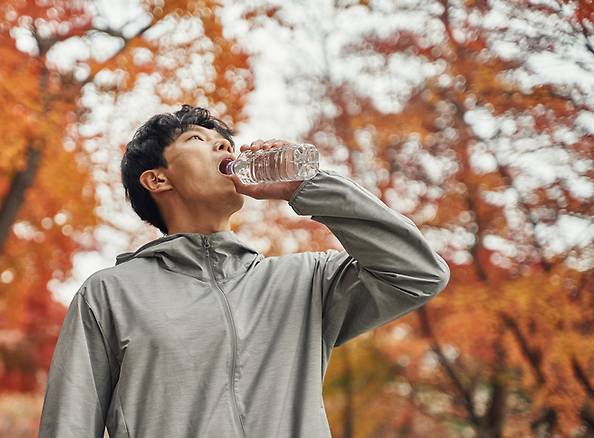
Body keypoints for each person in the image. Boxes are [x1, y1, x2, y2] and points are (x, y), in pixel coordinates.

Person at [38, 104, 450, 437]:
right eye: (198, 140)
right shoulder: (110, 293)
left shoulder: (305, 283)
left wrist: (308, 186)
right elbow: (69, 426)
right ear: (157, 180)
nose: (224, 149)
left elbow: (418, 273)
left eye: (226, 143)